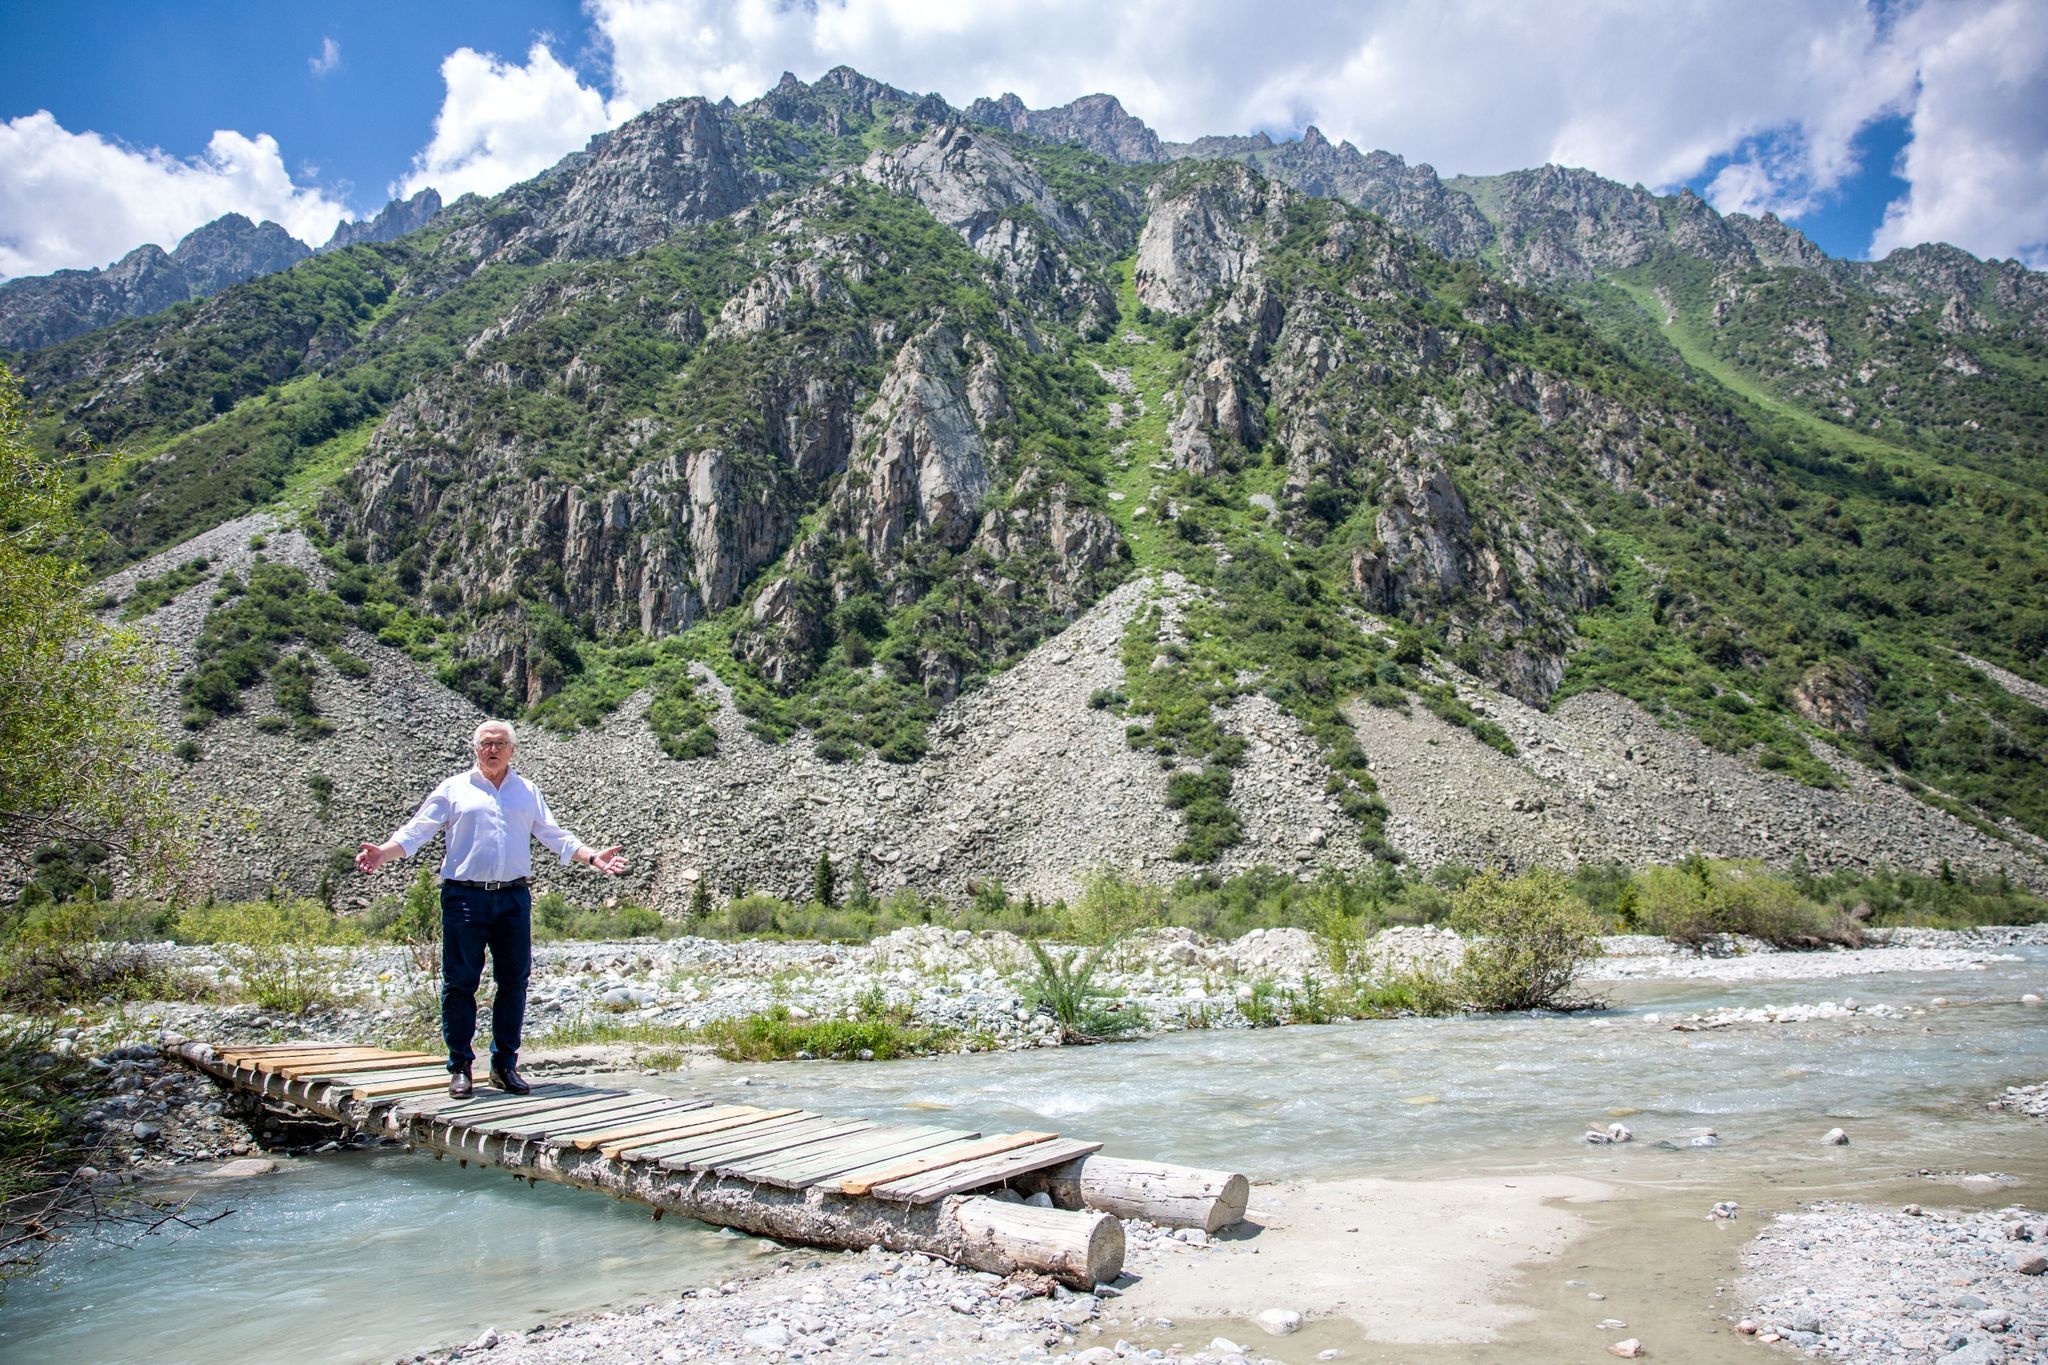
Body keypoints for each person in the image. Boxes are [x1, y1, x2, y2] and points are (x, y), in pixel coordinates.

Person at [356, 719, 627, 1097]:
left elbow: (553, 834)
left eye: (500, 743)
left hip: (514, 897)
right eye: (486, 743)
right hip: (464, 898)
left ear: (512, 750)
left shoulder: (526, 791)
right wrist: (383, 853)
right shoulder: (454, 788)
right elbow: (418, 830)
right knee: (460, 982)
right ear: (476, 749)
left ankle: (504, 1066)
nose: (493, 749)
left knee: (514, 982)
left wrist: (592, 857)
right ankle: (460, 1067)